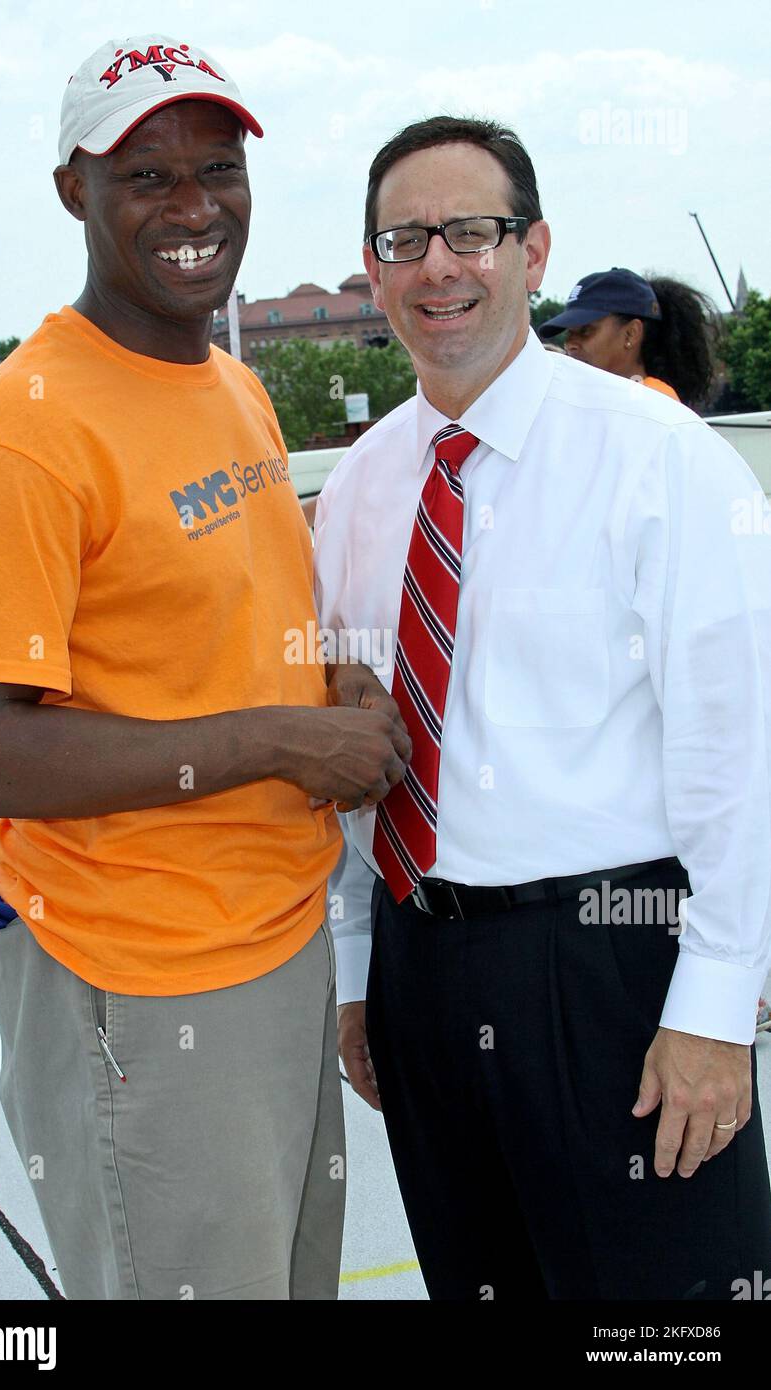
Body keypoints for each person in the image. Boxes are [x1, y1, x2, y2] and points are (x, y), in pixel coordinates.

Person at [0, 34, 410, 1301]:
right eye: (146, 177)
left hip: (275, 941)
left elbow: (226, 626)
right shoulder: (20, 437)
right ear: (73, 190)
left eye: (217, 167)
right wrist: (280, 743)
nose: (194, 208)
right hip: (139, 976)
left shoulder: (229, 384)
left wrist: (328, 688)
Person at [314, 114, 771, 1301]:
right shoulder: (360, 486)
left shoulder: (656, 458)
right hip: (423, 969)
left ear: (532, 250)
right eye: (402, 238)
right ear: (373, 268)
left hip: (612, 966)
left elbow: (739, 749)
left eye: (471, 230)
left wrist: (717, 1011)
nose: (437, 265)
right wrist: (361, 967)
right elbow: (360, 744)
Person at [538, 267, 718, 407]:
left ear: (631, 333)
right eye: (569, 333)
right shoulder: (601, 400)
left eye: (586, 331)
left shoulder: (654, 401)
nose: (571, 344)